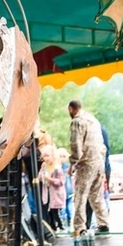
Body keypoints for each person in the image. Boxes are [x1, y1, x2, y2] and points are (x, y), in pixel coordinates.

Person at [67, 100, 110, 236]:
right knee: (97, 195)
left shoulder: (77, 121)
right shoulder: (93, 120)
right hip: (99, 161)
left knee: (80, 195)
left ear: (70, 109)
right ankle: (103, 224)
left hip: (86, 163)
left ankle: (79, 227)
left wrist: (72, 164)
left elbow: (76, 145)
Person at [41, 148, 66, 232]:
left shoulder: (57, 168)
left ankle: (61, 226)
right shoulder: (44, 167)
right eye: (44, 156)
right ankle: (53, 228)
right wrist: (42, 170)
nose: (46, 158)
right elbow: (40, 178)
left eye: (47, 156)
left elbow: (61, 181)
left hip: (55, 194)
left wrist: (49, 179)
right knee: (49, 212)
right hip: (47, 193)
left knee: (55, 211)